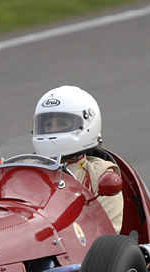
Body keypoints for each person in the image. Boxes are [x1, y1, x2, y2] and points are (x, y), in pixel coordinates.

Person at [32, 85, 124, 233]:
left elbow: (106, 238)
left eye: (61, 124)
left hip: (75, 249)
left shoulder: (101, 174)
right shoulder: (27, 167)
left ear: (86, 125)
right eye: (47, 125)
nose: (52, 129)